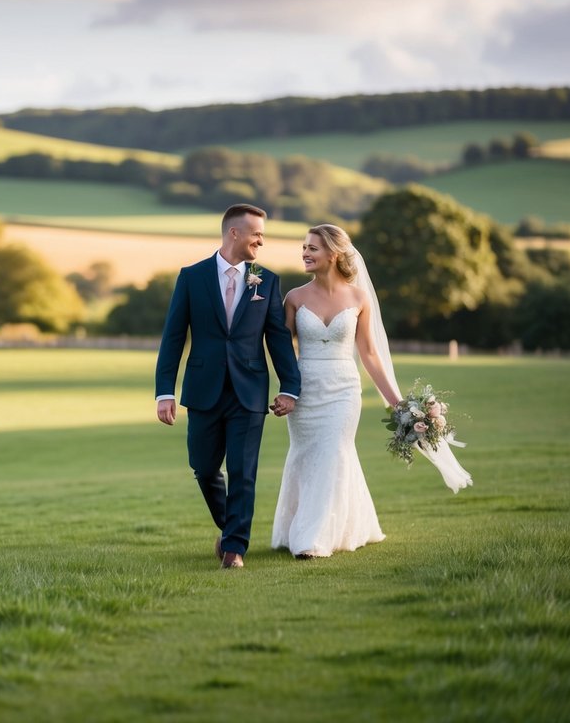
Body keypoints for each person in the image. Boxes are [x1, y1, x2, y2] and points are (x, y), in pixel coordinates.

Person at [155, 204, 302, 569]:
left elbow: (278, 339)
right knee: (204, 467)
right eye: (257, 235)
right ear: (234, 233)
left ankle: (235, 548)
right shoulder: (191, 277)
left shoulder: (266, 281)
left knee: (243, 470)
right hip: (204, 389)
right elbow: (173, 337)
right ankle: (230, 525)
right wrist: (165, 391)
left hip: (249, 391)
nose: (261, 242)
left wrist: (289, 387)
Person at [270, 224, 403, 559]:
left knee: (334, 453)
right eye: (303, 247)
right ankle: (307, 528)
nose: (305, 253)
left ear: (333, 253)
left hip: (344, 390)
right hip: (306, 390)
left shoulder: (359, 299)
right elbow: (282, 351)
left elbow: (370, 354)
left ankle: (313, 539)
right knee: (306, 456)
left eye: (312, 248)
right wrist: (287, 391)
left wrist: (397, 403)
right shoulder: (295, 298)